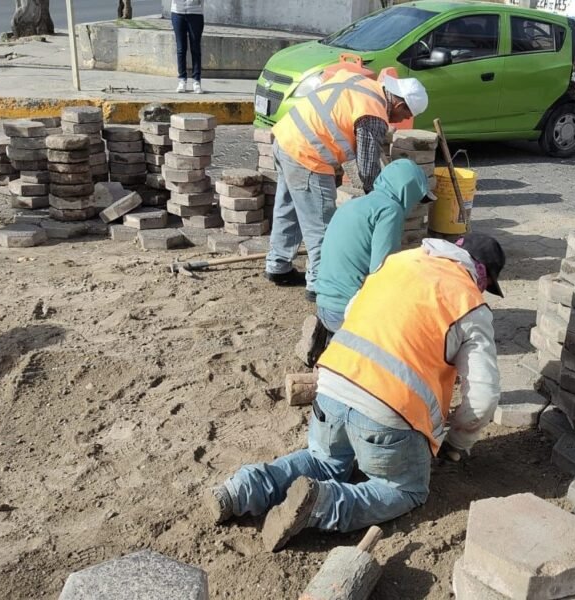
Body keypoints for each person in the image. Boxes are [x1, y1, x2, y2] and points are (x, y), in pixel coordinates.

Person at [207, 233, 506, 551]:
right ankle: (324, 504)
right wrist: (456, 442)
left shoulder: (399, 261)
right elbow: (484, 396)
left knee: (322, 460)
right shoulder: (470, 303)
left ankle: (239, 489)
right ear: (481, 274)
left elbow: (353, 312)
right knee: (405, 490)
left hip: (332, 384)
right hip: (390, 412)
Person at [264, 72, 429, 302]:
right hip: (309, 156)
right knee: (322, 225)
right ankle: (320, 283)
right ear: (399, 103)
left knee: (288, 207)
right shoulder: (373, 113)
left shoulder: (362, 82)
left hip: (286, 137)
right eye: (405, 115)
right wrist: (380, 200)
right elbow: (368, 167)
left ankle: (278, 265)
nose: (400, 121)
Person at [315, 159, 436, 333]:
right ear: (408, 191)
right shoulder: (389, 211)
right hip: (347, 311)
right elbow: (382, 271)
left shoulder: (353, 204)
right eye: (417, 199)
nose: (415, 205)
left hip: (325, 306)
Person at [171, 0, 204, 94]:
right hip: (177, 12)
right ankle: (182, 80)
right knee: (181, 49)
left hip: (195, 12)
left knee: (196, 49)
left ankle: (196, 81)